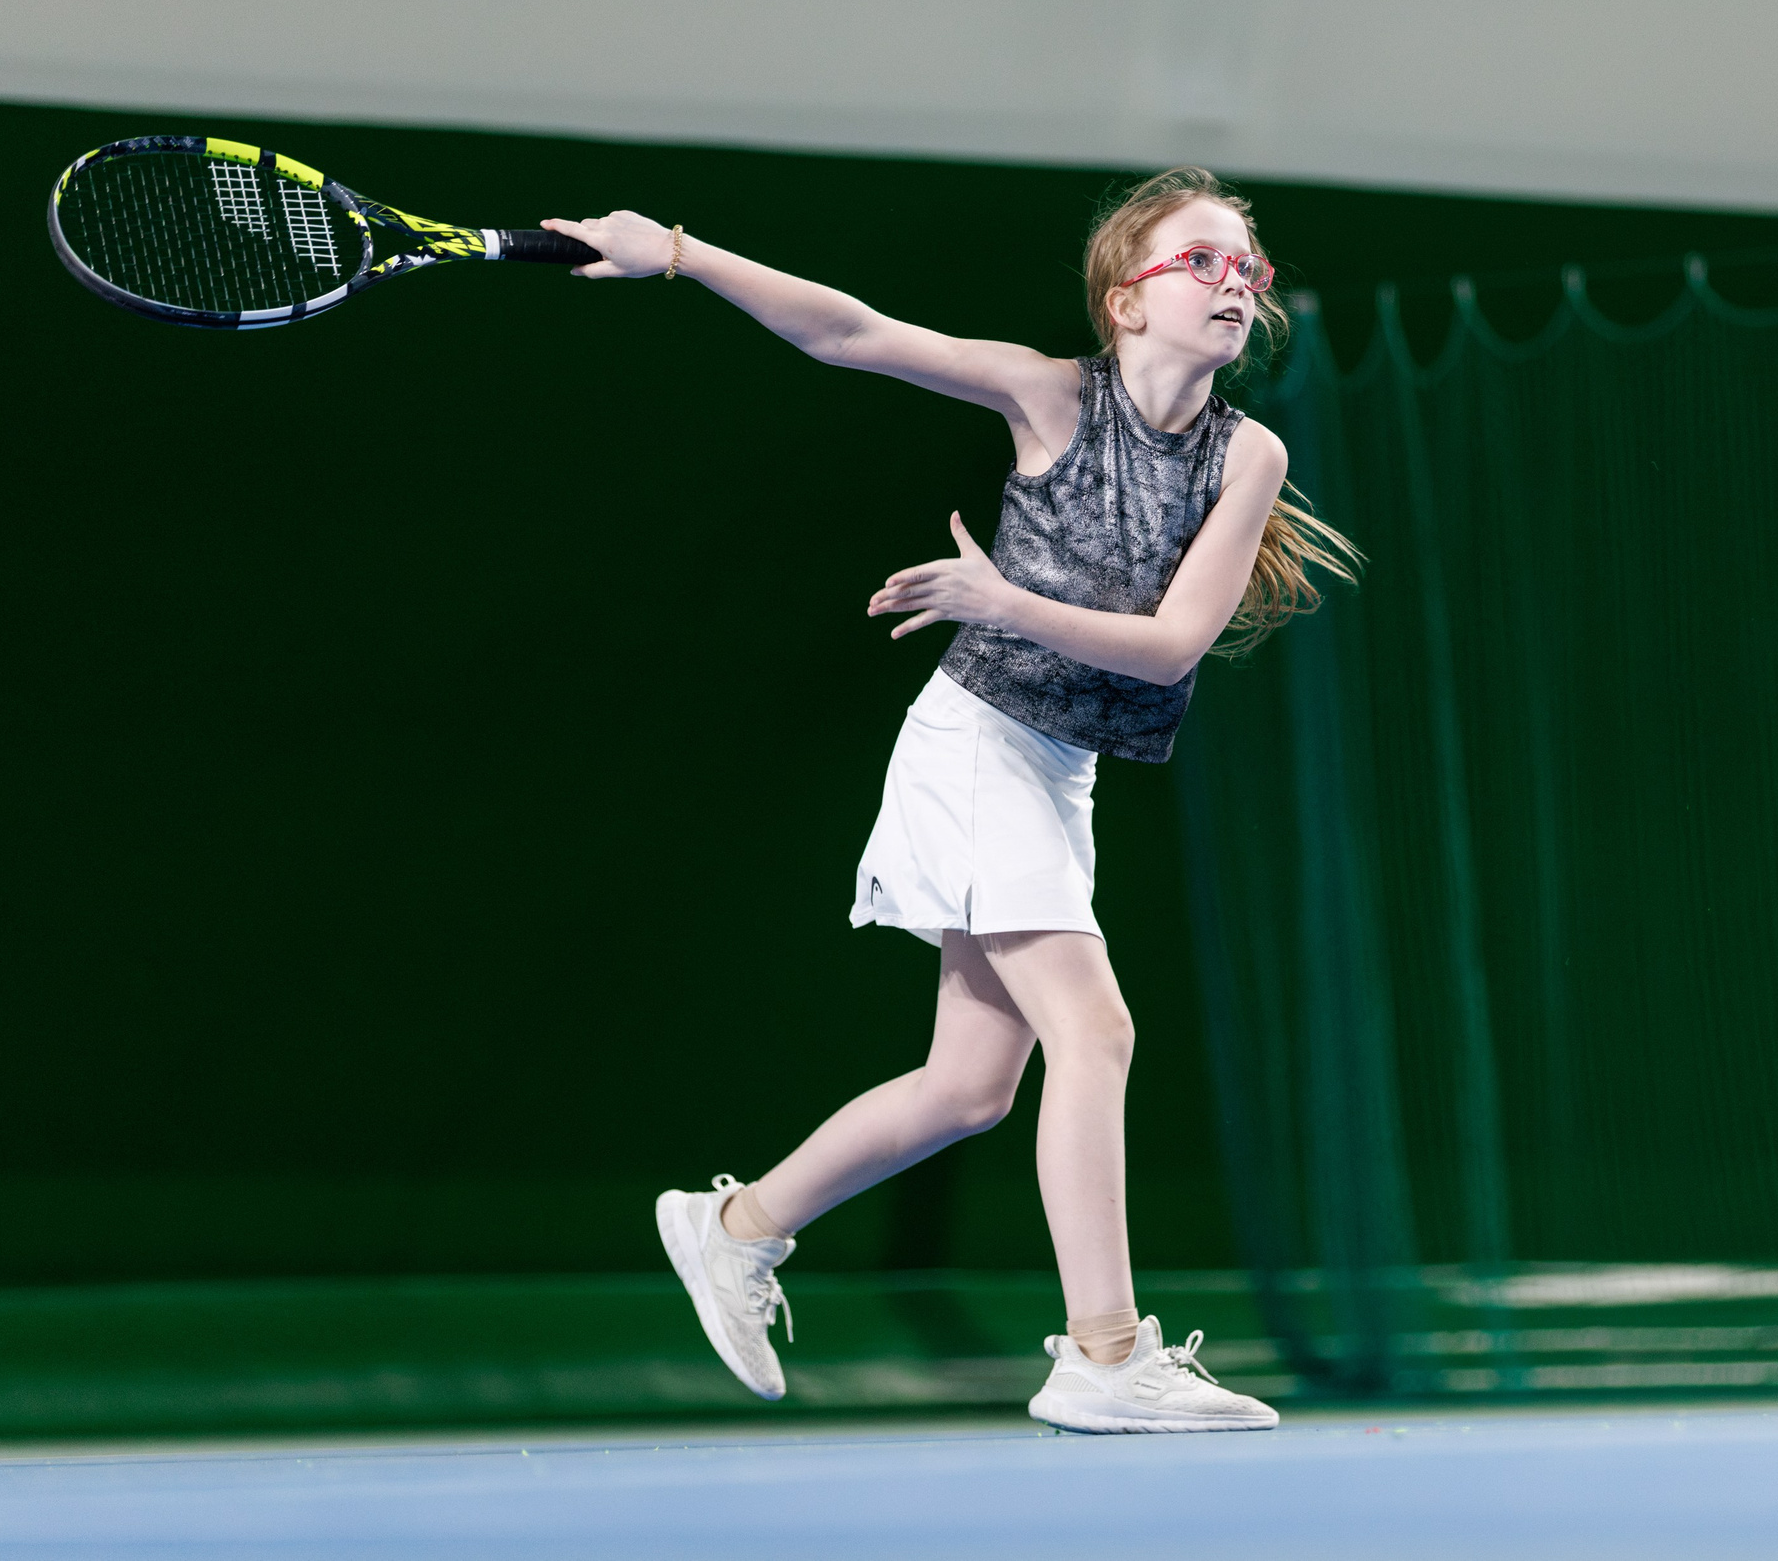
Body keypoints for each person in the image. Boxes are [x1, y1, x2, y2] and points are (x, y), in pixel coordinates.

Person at [545, 167, 1357, 1434]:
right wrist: (683, 253)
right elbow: (851, 332)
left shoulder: (1248, 453)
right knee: (1096, 1033)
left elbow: (1169, 649)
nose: (1234, 284)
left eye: (1244, 267)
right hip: (977, 742)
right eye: (1199, 262)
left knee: (971, 1086)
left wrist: (1001, 599)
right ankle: (1103, 1355)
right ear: (1125, 300)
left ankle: (736, 1223)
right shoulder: (1049, 395)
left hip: (1061, 769)